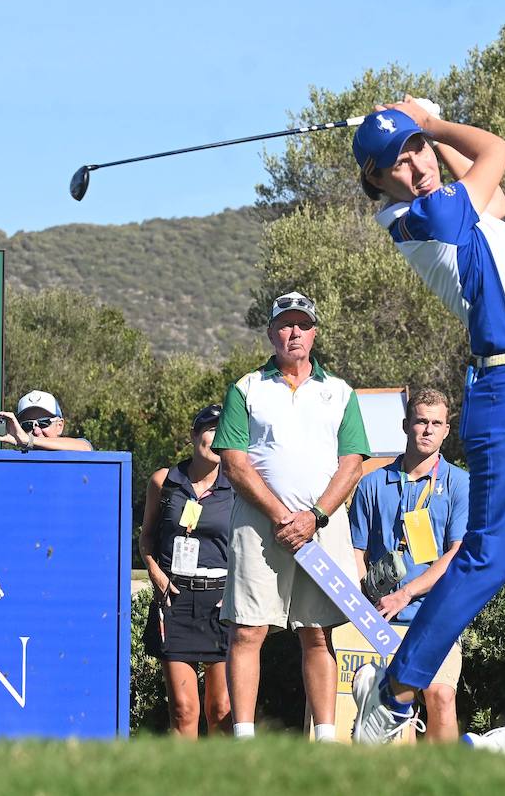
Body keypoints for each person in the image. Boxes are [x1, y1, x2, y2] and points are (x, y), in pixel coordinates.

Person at [349, 98, 505, 755]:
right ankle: (396, 693)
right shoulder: (422, 216)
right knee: (491, 555)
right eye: (394, 163)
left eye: (416, 152)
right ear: (376, 182)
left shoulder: (458, 202)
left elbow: (501, 200)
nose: (413, 166)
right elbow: (498, 151)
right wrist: (429, 120)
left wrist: (422, 131)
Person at [211, 291, 371, 742]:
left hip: (322, 528)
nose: (294, 332)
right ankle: (244, 740)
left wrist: (315, 515)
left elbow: (352, 462)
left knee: (318, 634)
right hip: (260, 526)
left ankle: (325, 739)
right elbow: (235, 462)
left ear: (315, 332)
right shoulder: (246, 388)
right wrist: (284, 517)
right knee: (247, 630)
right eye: (285, 324)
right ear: (271, 332)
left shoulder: (339, 391)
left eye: (302, 324)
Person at [349, 387, 469, 742]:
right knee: (390, 713)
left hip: (436, 615)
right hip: (380, 618)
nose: (428, 430)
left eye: (436, 423)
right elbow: (356, 550)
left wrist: (405, 594)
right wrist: (364, 605)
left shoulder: (459, 483)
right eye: (421, 422)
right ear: (406, 425)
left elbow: (457, 554)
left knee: (440, 695)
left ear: (447, 429)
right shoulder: (371, 483)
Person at [138, 403, 234, 738]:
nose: (217, 438)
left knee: (221, 709)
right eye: (210, 429)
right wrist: (155, 572)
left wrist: (236, 589)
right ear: (193, 435)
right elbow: (146, 538)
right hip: (174, 602)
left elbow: (251, 548)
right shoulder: (164, 481)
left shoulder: (239, 486)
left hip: (222, 605)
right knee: (183, 709)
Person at [0, 389, 94, 452]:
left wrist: (28, 441)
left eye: (43, 423)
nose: (36, 430)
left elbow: (85, 447)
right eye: (28, 425)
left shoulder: (76, 447)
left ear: (60, 426)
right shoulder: (17, 458)